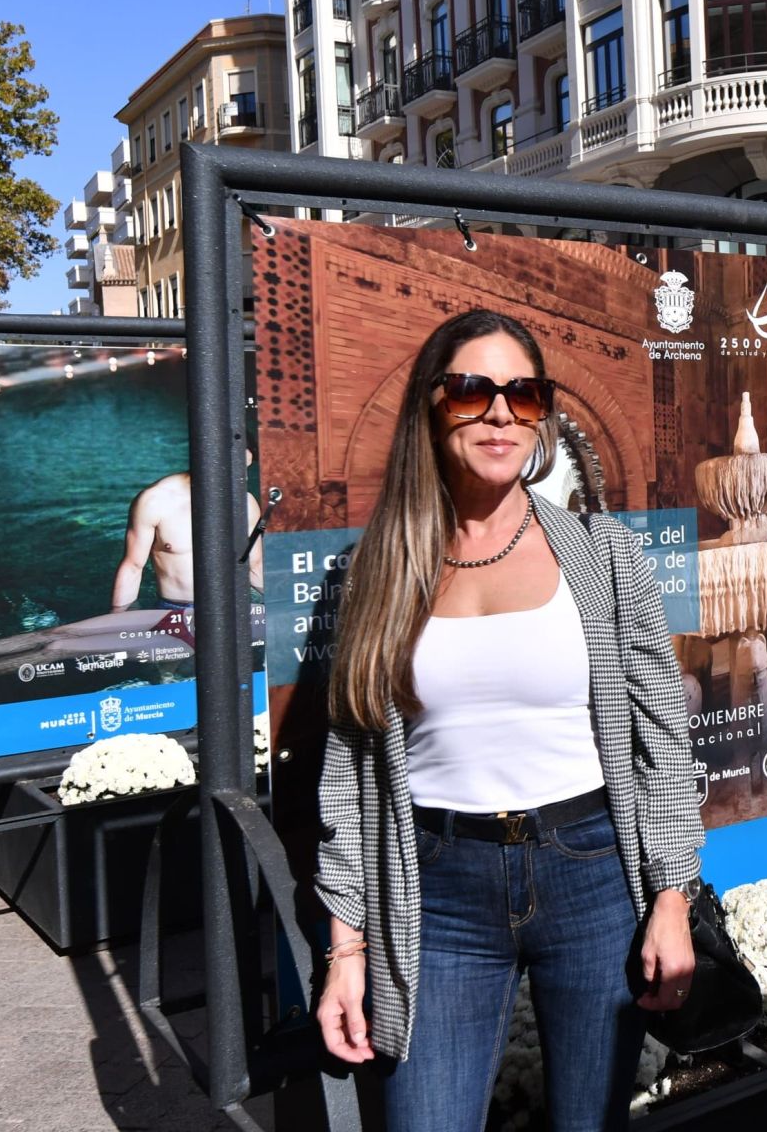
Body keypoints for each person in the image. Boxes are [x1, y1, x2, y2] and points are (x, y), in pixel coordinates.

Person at [313, 309, 703, 1132]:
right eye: (471, 390)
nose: (499, 413)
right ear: (432, 406)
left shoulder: (601, 555)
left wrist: (671, 896)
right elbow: (348, 772)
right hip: (437, 888)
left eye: (523, 394)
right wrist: (345, 948)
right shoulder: (372, 573)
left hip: (591, 873)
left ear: (544, 416)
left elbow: (661, 735)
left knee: (590, 1121)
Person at [110, 459, 264, 612]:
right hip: (175, 609)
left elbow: (254, 566)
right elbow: (133, 567)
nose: (244, 477)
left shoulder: (245, 502)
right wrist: (118, 617)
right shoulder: (155, 501)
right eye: (237, 465)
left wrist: (281, 604)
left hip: (234, 605)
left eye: (246, 468)